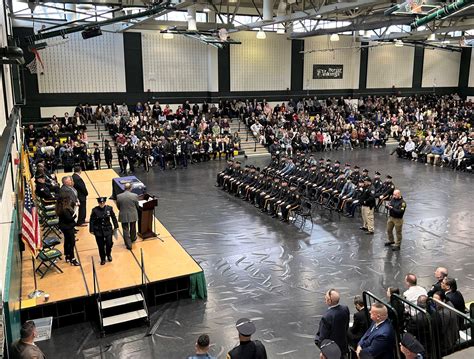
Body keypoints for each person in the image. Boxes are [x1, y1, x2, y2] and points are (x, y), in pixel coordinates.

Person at [315, 289, 350, 357]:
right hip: (343, 346)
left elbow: (323, 338)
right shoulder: (345, 309)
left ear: (329, 301)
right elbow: (346, 326)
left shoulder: (326, 317)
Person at [89, 197, 119, 265]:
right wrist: (91, 230)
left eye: (103, 202)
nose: (102, 204)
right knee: (101, 245)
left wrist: (116, 226)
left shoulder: (109, 208)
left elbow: (113, 217)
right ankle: (102, 258)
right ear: (98, 203)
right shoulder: (95, 210)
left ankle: (108, 254)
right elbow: (92, 220)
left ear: (105, 202)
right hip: (98, 230)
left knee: (109, 243)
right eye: (100, 203)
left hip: (107, 229)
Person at [55, 197, 80, 265]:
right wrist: (75, 216)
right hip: (68, 228)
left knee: (67, 241)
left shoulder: (60, 208)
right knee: (71, 243)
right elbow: (69, 219)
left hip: (64, 228)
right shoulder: (65, 210)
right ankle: (72, 258)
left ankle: (67, 255)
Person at [116, 182, 139, 250]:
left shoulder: (119, 196)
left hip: (123, 214)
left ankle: (128, 245)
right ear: (130, 188)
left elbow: (118, 206)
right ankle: (133, 238)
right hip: (132, 214)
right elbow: (137, 206)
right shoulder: (134, 195)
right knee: (133, 227)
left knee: (125, 229)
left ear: (124, 188)